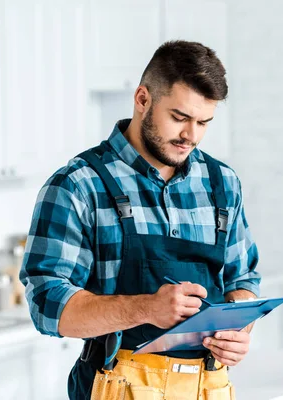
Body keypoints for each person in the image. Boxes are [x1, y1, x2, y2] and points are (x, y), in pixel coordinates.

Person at [20, 40, 260, 400]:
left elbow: (242, 280)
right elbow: (47, 304)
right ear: (143, 99)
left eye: (203, 123)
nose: (190, 136)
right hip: (117, 386)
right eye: (179, 118)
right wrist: (147, 308)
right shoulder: (79, 185)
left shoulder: (222, 183)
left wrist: (238, 331)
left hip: (209, 387)